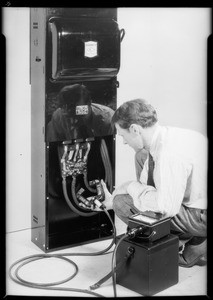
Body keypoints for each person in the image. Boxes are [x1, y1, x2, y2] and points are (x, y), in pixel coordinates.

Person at [101, 98, 207, 268]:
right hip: (197, 202)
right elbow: (148, 181)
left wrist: (128, 188)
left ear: (135, 129)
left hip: (200, 216)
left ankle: (190, 241)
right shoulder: (166, 135)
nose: (124, 142)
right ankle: (179, 235)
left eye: (123, 135)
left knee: (121, 203)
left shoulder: (168, 154)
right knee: (141, 156)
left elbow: (166, 206)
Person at [47, 84, 115, 142]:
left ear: (89, 103)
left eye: (73, 106)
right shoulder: (59, 117)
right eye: (63, 107)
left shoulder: (108, 120)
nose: (68, 111)